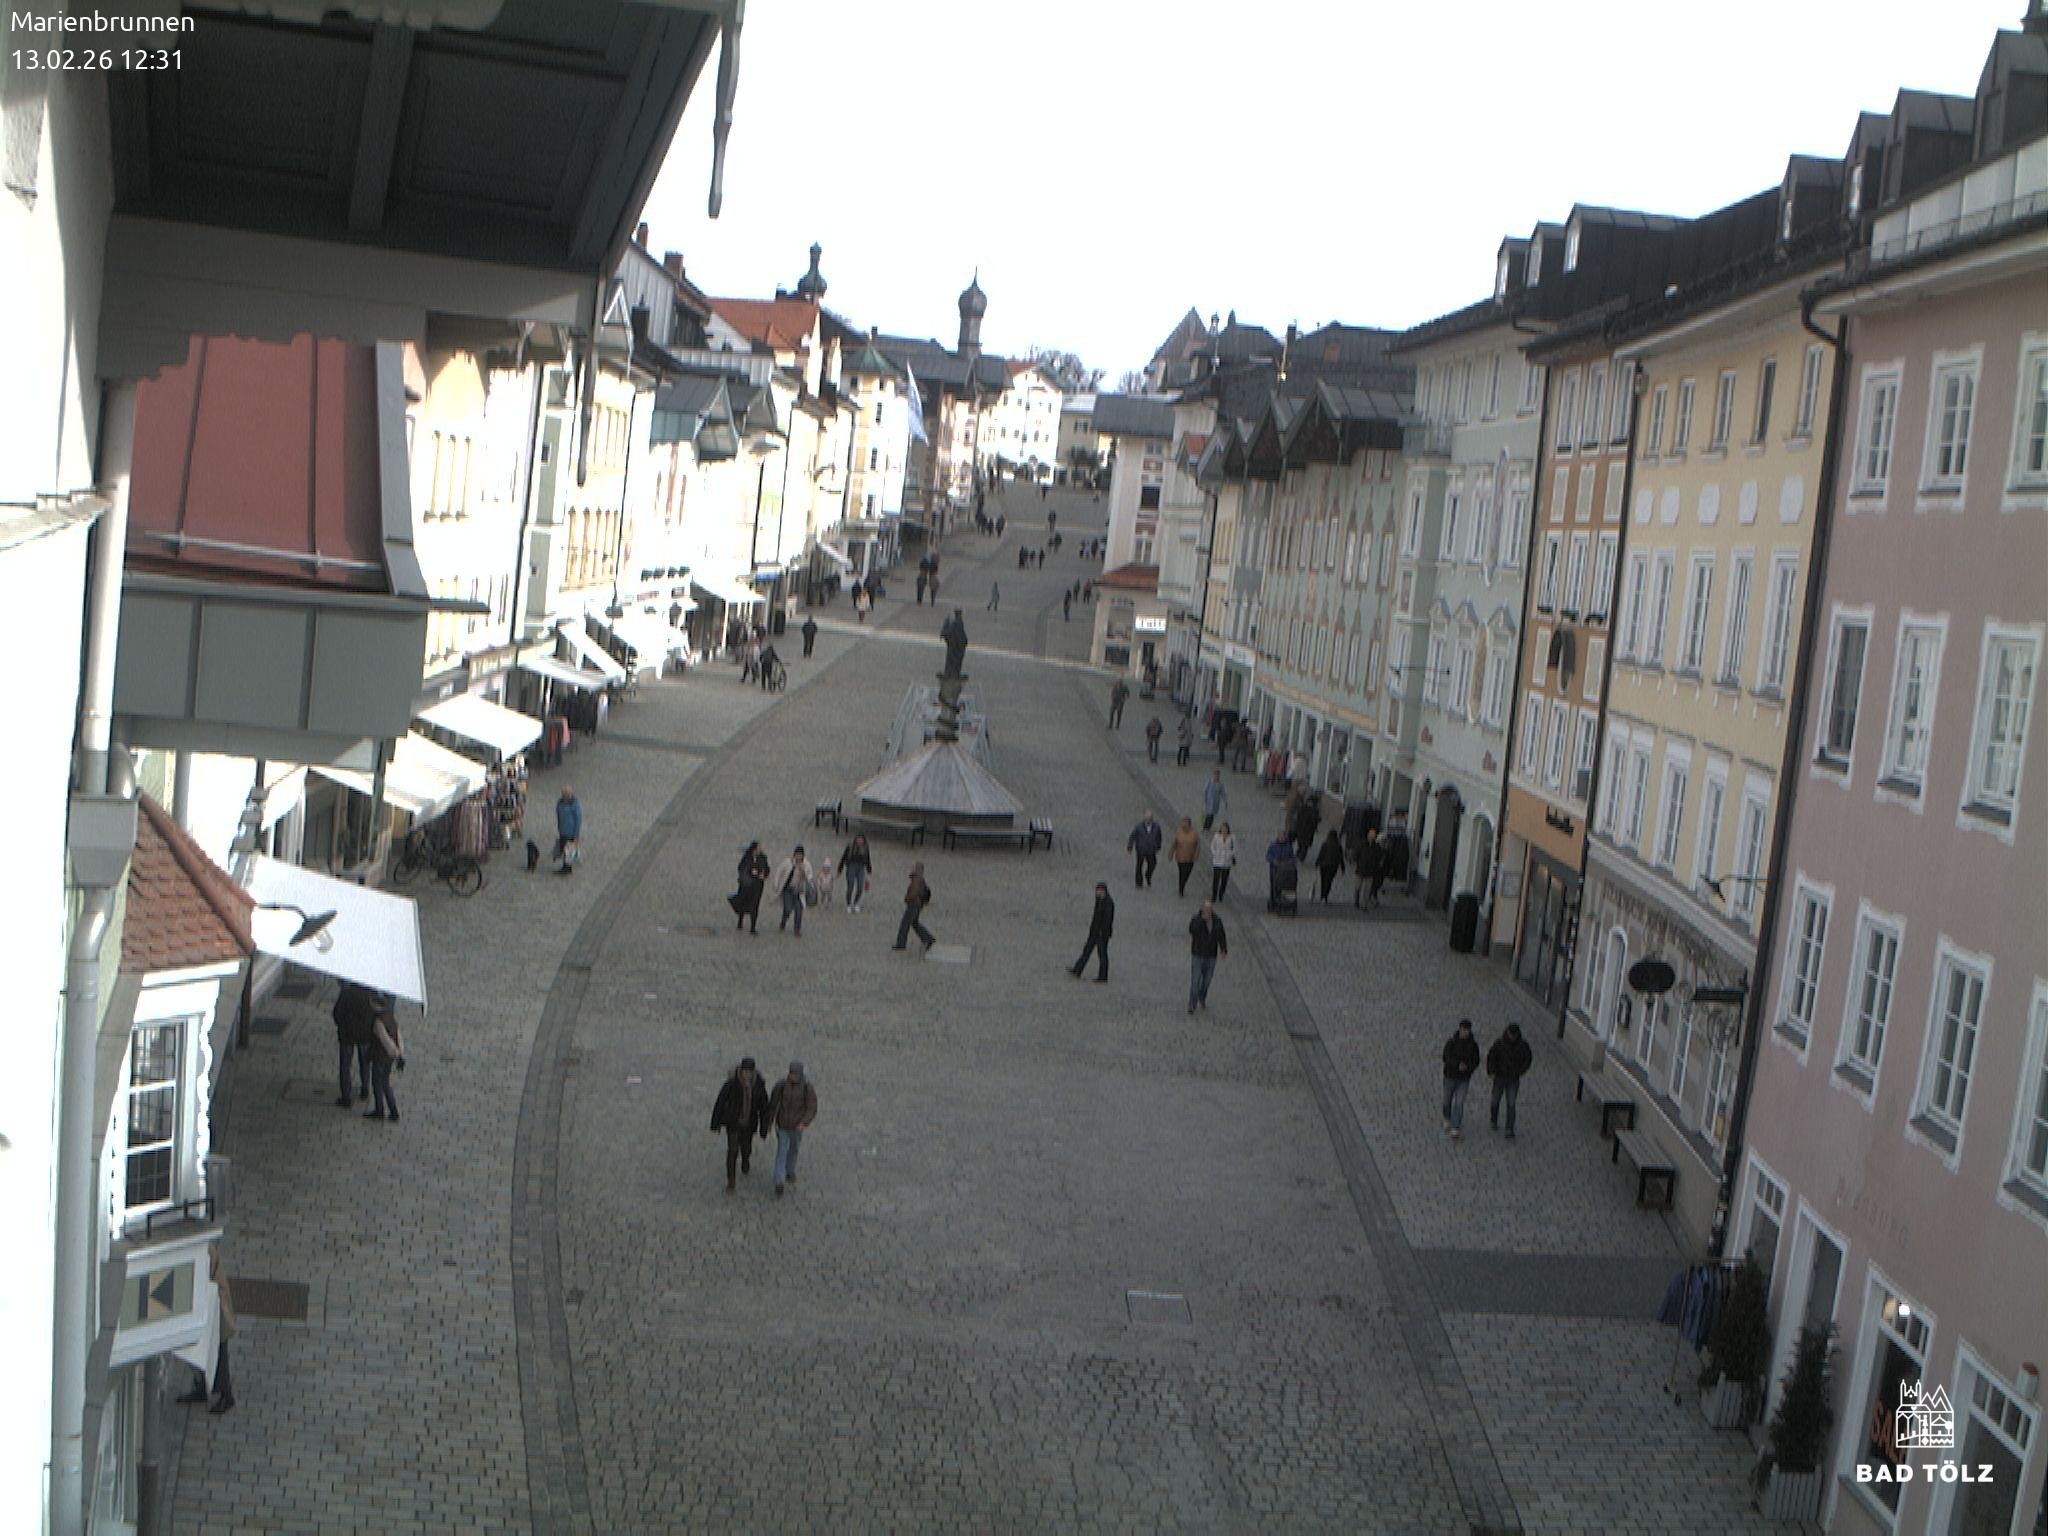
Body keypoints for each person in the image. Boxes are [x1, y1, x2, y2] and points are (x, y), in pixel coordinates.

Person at [177, 1247, 236, 1415]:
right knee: (200, 1351)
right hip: (208, 1309)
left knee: (218, 1355)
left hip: (215, 1312)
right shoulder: (202, 1248)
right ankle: (202, 1387)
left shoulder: (205, 1250)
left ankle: (226, 1395)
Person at [710, 1057, 771, 1192]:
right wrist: (716, 1123)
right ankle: (731, 1180)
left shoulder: (759, 1086)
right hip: (733, 1122)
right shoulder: (731, 1084)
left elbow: (764, 1107)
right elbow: (720, 1102)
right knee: (732, 1151)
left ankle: (745, 1160)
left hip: (749, 1124)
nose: (746, 1074)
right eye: (745, 1071)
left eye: (749, 1072)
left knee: (746, 1147)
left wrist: (764, 1127)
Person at [766, 1061, 818, 1198]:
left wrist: (804, 1122)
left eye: (795, 1073)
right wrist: (769, 1124)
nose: (793, 1076)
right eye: (791, 1073)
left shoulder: (807, 1088)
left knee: (793, 1149)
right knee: (781, 1152)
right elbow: (773, 1104)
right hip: (782, 1125)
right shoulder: (781, 1085)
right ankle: (779, 1181)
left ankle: (790, 1170)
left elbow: (812, 1107)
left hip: (797, 1126)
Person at [332, 980, 378, 1108]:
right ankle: (365, 1088)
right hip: (365, 1035)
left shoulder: (346, 994)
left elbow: (336, 1014)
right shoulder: (371, 994)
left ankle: (346, 1096)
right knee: (364, 1062)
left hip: (347, 1035)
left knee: (345, 1065)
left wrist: (343, 1025)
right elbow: (376, 1014)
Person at [1486, 1023, 1534, 1138]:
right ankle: (1493, 1120)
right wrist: (1491, 1071)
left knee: (1511, 1103)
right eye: (1511, 1035)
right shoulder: (1499, 1043)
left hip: (1513, 1078)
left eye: (1514, 1035)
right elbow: (1491, 1057)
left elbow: (1528, 1059)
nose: (1512, 1037)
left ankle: (1509, 1128)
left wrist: (1520, 1071)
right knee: (1495, 1100)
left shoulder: (1523, 1046)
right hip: (1499, 1077)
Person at [365, 995, 403, 1122]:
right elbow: (398, 1035)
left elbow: (385, 1039)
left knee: (377, 1083)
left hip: (380, 1056)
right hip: (389, 1058)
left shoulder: (378, 1021)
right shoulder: (390, 1017)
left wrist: (394, 1052)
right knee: (386, 1083)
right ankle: (393, 1110)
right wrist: (399, 1053)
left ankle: (379, 1109)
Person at [1441, 1019, 1481, 1140]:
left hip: (1463, 1079)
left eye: (1467, 1030)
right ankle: (1447, 1118)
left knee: (1459, 1102)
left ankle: (1455, 1126)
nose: (1465, 1032)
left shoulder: (1473, 1045)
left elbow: (1476, 1060)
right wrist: (1457, 1064)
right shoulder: (1452, 1042)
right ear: (1459, 1029)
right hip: (1450, 1076)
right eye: (1463, 1029)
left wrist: (1468, 1068)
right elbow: (1446, 1057)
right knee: (1447, 1101)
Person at [1187, 900, 1228, 1014]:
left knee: (1207, 980)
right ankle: (1192, 1004)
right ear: (1202, 909)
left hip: (1211, 955)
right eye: (1205, 909)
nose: (1207, 911)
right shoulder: (1196, 919)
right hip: (1198, 954)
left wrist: (1223, 949)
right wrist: (1201, 920)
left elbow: (1221, 935)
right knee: (1195, 980)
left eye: (1209, 909)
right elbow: (1192, 930)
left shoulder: (1217, 921)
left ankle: (1202, 996)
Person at [1069, 882, 1114, 982]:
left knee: (1102, 954)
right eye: (1097, 890)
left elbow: (1107, 920)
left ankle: (1103, 976)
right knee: (1086, 951)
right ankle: (1077, 969)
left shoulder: (1108, 903)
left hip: (1102, 934)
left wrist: (1102, 932)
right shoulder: (1100, 900)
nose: (1098, 892)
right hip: (1094, 932)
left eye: (1100, 890)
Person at [893, 862, 935, 952]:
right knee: (914, 923)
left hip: (913, 904)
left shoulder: (916, 880)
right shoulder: (920, 879)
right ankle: (928, 938)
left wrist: (907, 898)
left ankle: (901, 944)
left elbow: (913, 893)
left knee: (904, 925)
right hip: (918, 905)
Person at [770, 845, 811, 936]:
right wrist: (776, 883)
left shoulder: (806, 865)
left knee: (799, 911)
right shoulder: (788, 862)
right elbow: (779, 871)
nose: (798, 857)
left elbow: (809, 878)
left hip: (799, 892)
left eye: (800, 855)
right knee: (788, 908)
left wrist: (802, 870)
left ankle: (797, 929)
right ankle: (784, 920)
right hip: (788, 890)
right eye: (797, 854)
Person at [731, 841, 770, 934]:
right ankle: (740, 921)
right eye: (759, 848)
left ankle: (753, 927)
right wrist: (750, 871)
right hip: (746, 886)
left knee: (755, 905)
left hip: (757, 886)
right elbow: (740, 868)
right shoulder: (747, 858)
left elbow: (767, 869)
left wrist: (763, 874)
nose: (760, 849)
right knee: (743, 902)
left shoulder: (763, 858)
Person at [838, 833, 874, 913]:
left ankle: (855, 902)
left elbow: (868, 859)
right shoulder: (850, 846)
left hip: (861, 867)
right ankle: (848, 903)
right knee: (850, 886)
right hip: (851, 866)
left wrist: (869, 871)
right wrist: (839, 870)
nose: (860, 841)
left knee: (860, 887)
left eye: (861, 839)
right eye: (858, 839)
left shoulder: (865, 847)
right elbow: (843, 858)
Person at [1126, 811, 1163, 889]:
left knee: (1153, 864)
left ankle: (1148, 875)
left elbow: (1159, 837)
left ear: (1152, 819)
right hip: (1141, 850)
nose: (1148, 821)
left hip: (1151, 850)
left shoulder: (1156, 826)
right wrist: (1130, 847)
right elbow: (1132, 836)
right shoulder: (1138, 826)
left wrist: (1158, 846)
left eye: (1149, 819)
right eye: (1146, 819)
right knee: (1139, 866)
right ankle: (1139, 883)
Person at [1168, 817, 1202, 897]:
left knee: (1188, 872)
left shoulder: (1194, 833)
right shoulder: (1179, 832)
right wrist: (1171, 853)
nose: (1183, 825)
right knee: (1182, 873)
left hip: (1190, 857)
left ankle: (1183, 883)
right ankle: (1181, 889)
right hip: (1180, 857)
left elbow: (1198, 845)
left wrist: (1196, 854)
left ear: (1189, 825)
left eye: (1185, 824)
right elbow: (1175, 843)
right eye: (1183, 823)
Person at [553, 787, 582, 875]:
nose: (565, 796)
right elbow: (558, 814)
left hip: (570, 832)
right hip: (562, 830)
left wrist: (576, 834)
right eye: (564, 794)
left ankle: (567, 868)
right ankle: (565, 866)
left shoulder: (574, 805)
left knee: (569, 850)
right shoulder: (560, 803)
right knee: (563, 849)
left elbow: (578, 819)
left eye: (567, 794)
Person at [1266, 833, 1298, 912]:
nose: (1282, 838)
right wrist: (1274, 861)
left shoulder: (1288, 846)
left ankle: (1284, 901)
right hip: (1275, 870)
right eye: (1281, 837)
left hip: (1286, 870)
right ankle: (1274, 901)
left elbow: (1292, 856)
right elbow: (1268, 856)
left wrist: (1290, 862)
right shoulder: (1273, 845)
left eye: (1283, 837)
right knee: (1274, 886)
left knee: (1286, 886)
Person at [1314, 828, 1347, 902]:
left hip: (1324, 865)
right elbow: (1341, 858)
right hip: (1333, 866)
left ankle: (1322, 894)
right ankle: (1325, 895)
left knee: (1323, 880)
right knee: (1329, 881)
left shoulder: (1325, 844)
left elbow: (1321, 854)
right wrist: (1342, 867)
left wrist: (1317, 863)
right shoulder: (1338, 846)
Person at [1209, 822, 1237, 901]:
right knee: (1216, 879)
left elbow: (1235, 848)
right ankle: (1214, 895)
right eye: (1222, 829)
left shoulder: (1232, 837)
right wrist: (1215, 853)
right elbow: (1212, 846)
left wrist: (1229, 854)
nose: (1223, 830)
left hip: (1227, 862)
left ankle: (1221, 894)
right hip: (1217, 861)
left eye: (1225, 829)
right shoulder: (1216, 836)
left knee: (1224, 880)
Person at [1293, 791, 1322, 861]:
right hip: (1308, 830)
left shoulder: (1303, 807)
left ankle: (1298, 854)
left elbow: (1297, 817)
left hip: (1300, 828)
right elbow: (1315, 820)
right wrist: (1318, 821)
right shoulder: (1315, 810)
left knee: (1300, 842)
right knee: (1305, 845)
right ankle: (1301, 856)